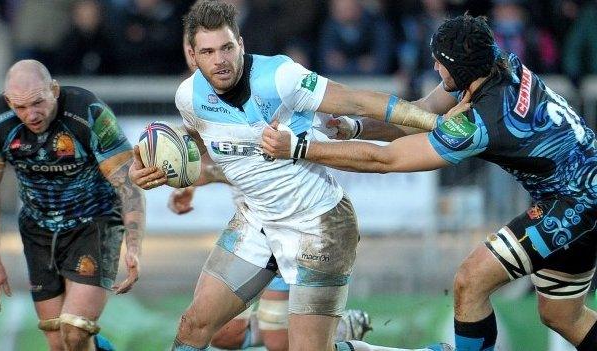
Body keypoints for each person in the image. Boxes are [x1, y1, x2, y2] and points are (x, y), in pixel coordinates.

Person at [261, 14, 597, 351]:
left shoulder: (482, 122)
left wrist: (301, 149)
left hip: (575, 204)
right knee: (561, 316)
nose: (434, 67)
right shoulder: (495, 61)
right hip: (577, 192)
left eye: (440, 62)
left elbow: (386, 160)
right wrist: (357, 127)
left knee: (471, 281)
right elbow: (422, 112)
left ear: (460, 69)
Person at [129, 1, 452, 350]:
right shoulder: (189, 98)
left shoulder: (281, 77)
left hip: (319, 226)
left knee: (296, 347)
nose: (220, 60)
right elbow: (198, 142)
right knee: (196, 326)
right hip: (257, 223)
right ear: (192, 56)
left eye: (226, 47)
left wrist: (435, 122)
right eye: (208, 52)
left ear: (241, 43)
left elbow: (358, 102)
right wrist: (155, 165)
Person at [0, 60, 145, 351]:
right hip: (38, 230)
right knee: (58, 343)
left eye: (38, 102)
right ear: (7, 101)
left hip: (94, 223)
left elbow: (127, 183)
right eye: (21, 107)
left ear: (54, 89)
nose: (31, 115)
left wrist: (135, 246)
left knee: (75, 330)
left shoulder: (88, 113)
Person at [168, 182, 372, 351]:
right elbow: (209, 153)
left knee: (278, 342)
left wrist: (203, 174)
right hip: (254, 229)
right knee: (224, 335)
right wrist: (189, 179)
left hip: (295, 229)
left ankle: (324, 330)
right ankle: (323, 329)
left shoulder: (270, 135)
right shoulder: (217, 135)